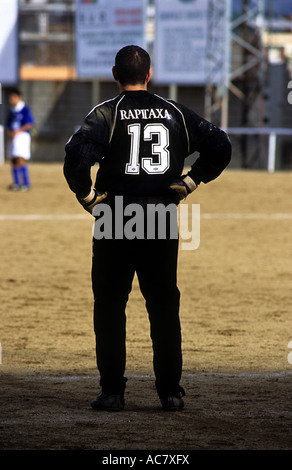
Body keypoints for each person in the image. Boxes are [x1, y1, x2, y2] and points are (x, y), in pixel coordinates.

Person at [63, 45, 231, 412]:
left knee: (110, 305)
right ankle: (170, 392)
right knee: (163, 305)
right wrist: (192, 180)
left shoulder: (106, 113)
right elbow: (220, 144)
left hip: (115, 217)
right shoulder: (174, 112)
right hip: (160, 216)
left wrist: (88, 196)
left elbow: (76, 158)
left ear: (114, 75)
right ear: (150, 75)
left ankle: (112, 392)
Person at [5, 87, 35, 191]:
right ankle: (17, 183)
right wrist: (10, 133)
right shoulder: (12, 110)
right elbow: (8, 124)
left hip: (22, 136)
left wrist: (17, 131)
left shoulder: (24, 109)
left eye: (12, 97)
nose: (11, 100)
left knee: (20, 158)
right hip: (13, 137)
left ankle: (26, 183)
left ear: (18, 97)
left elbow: (30, 124)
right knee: (13, 159)